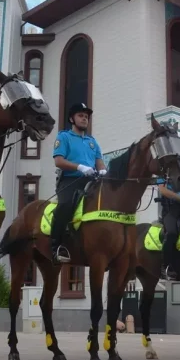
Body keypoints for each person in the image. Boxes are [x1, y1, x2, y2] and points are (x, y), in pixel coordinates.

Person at [51, 103, 106, 265]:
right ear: (71, 119)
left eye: (86, 117)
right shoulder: (64, 137)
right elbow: (58, 161)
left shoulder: (92, 141)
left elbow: (99, 162)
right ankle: (55, 246)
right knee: (66, 205)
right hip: (70, 180)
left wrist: (103, 171)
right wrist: (79, 167)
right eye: (81, 115)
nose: (84, 119)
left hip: (91, 181)